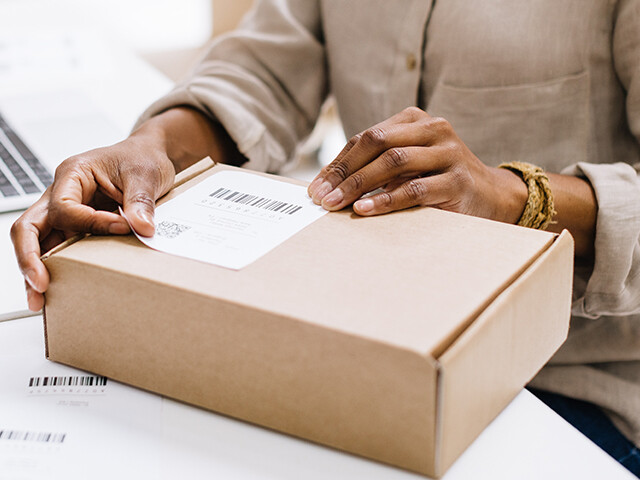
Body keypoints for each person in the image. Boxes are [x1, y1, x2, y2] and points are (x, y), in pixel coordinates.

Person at [10, 0, 640, 475]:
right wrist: (149, 148)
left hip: (572, 386)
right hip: (363, 341)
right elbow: (261, 74)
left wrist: (518, 197)